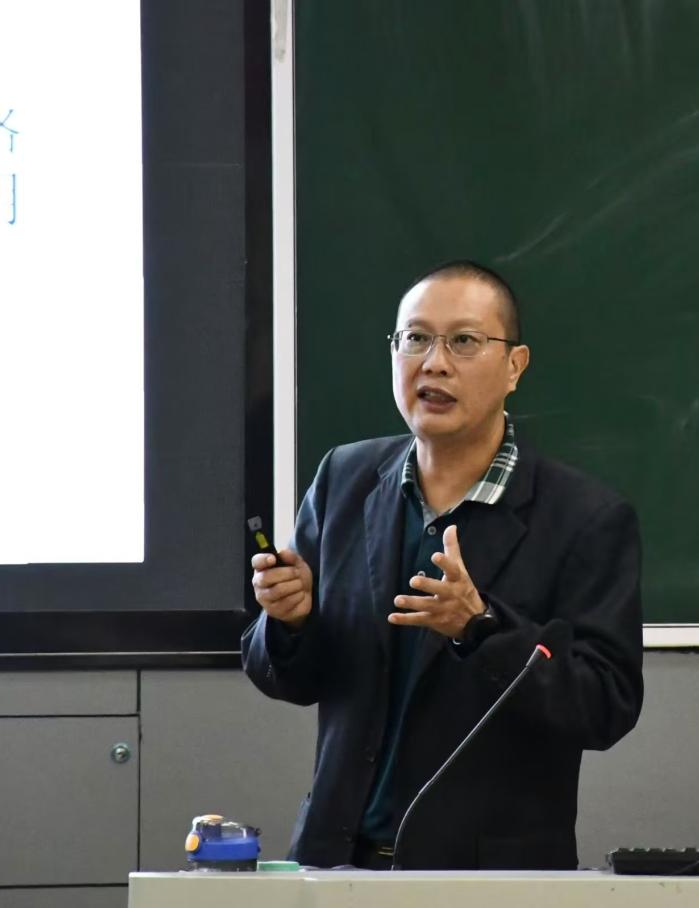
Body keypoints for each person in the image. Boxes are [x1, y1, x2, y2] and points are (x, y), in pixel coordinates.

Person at [242, 261, 643, 870]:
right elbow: (290, 679)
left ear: (515, 366)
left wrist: (481, 629)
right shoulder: (345, 480)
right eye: (416, 338)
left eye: (464, 341)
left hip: (487, 880)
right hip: (334, 864)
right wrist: (290, 620)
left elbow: (605, 707)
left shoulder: (585, 518)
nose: (434, 363)